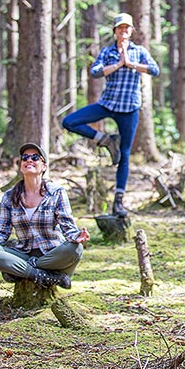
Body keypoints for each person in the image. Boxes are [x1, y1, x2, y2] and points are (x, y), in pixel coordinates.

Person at [62, 12, 160, 217]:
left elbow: (155, 70)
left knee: (124, 155)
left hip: (129, 109)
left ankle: (119, 201)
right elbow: (95, 72)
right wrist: (117, 65)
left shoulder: (139, 51)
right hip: (107, 104)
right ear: (115, 31)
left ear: (131, 31)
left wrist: (131, 63)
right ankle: (105, 140)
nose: (123, 31)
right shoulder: (107, 52)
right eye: (120, 28)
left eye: (127, 28)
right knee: (69, 122)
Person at [0, 143, 89, 289]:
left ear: (44, 166)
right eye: (25, 158)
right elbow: (1, 234)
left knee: (76, 249)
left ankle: (22, 270)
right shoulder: (9, 197)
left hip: (52, 256)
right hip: (23, 253)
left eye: (35, 157)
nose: (29, 160)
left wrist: (77, 237)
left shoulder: (57, 193)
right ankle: (43, 276)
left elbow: (68, 227)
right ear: (21, 166)